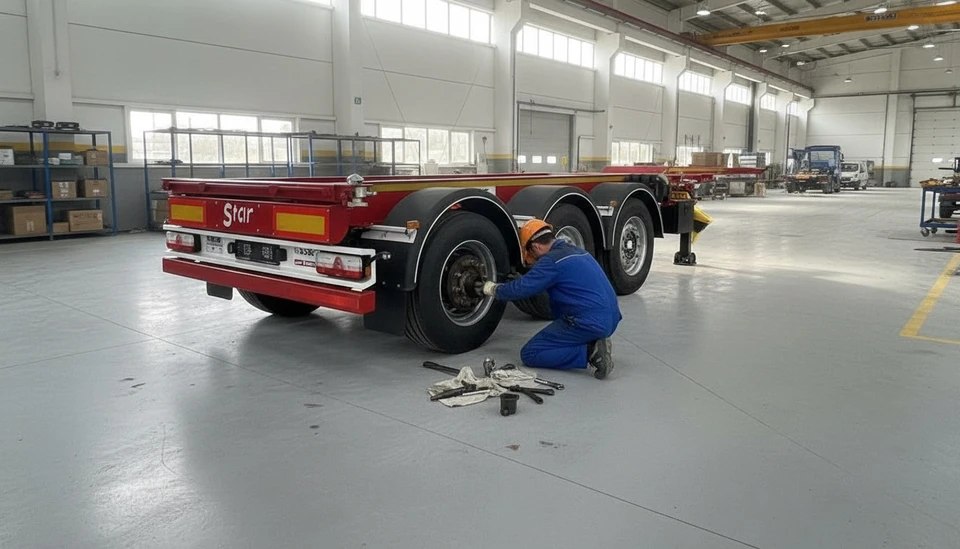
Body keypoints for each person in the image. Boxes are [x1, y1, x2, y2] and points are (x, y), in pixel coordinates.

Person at [481, 219, 621, 379]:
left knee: (530, 353)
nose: (533, 260)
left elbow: (521, 288)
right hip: (612, 318)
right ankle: (593, 341)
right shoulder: (577, 250)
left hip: (590, 322)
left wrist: (493, 289)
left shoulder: (550, 261)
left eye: (531, 255)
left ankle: (591, 352)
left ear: (535, 246)